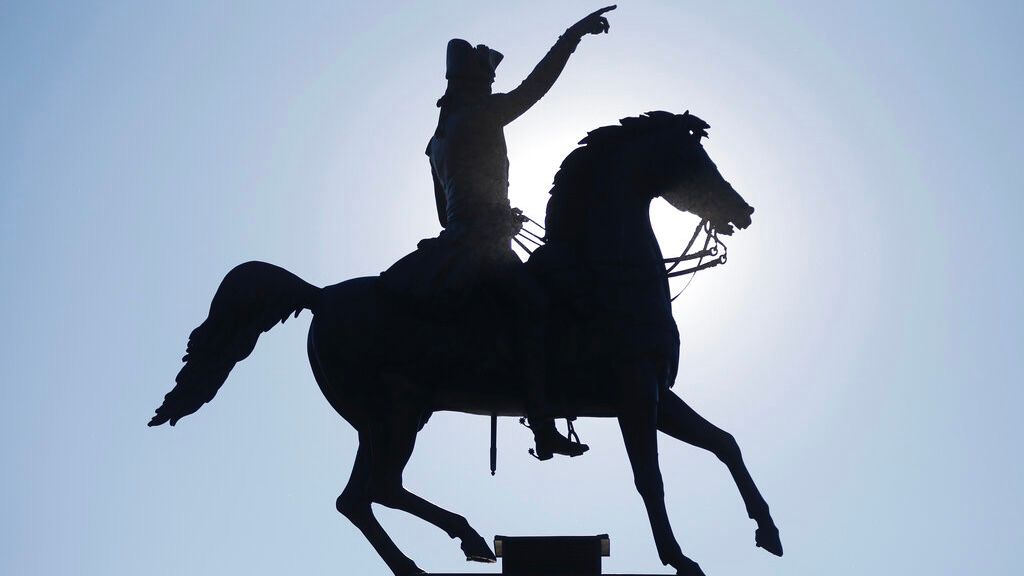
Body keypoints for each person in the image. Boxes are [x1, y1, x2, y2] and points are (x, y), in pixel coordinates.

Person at [381, 6, 616, 459]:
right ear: (475, 83)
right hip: (484, 249)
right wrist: (572, 36)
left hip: (459, 241)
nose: (493, 86)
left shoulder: (436, 142)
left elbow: (445, 213)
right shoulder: (483, 114)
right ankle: (542, 426)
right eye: (488, 80)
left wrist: (498, 215)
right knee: (535, 304)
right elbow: (535, 87)